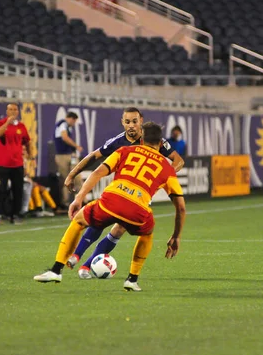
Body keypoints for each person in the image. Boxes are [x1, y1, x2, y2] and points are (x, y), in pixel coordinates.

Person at [34, 122, 186, 291]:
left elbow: (98, 172)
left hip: (111, 202)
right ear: (161, 143)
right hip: (138, 210)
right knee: (147, 234)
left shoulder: (124, 151)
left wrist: (79, 198)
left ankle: (56, 270)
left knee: (79, 221)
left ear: (141, 139)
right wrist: (176, 236)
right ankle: (132, 279)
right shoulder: (167, 168)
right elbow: (180, 208)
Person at [64, 107, 184, 279]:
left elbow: (178, 161)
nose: (131, 126)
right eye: (127, 122)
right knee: (100, 222)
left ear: (141, 121)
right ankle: (77, 256)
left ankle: (86, 265)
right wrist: (71, 174)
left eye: (135, 121)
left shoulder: (154, 140)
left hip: (140, 195)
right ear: (122, 123)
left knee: (119, 228)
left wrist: (165, 176)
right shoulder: (118, 142)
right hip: (118, 191)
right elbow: (94, 156)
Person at [0, 103, 31, 225]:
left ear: (18, 112)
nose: (13, 112)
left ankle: (16, 215)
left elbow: (27, 142)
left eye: (15, 109)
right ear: (7, 111)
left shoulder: (21, 126)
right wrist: (7, 123)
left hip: (17, 164)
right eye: (10, 109)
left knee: (17, 191)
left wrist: (30, 157)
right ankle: (1, 215)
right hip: (2, 163)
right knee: (1, 190)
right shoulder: (1, 124)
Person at [54, 111, 83, 207]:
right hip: (63, 156)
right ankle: (66, 202)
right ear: (71, 119)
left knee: (75, 176)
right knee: (67, 179)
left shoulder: (66, 126)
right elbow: (65, 138)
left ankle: (79, 199)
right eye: (74, 121)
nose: (74, 123)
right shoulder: (63, 124)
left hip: (68, 155)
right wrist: (76, 146)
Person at [22, 147, 57, 217]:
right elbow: (23, 175)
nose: (25, 152)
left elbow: (30, 175)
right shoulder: (20, 160)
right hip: (23, 183)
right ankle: (36, 209)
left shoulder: (29, 161)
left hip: (29, 181)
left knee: (43, 189)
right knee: (35, 188)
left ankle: (53, 208)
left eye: (26, 150)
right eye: (23, 150)